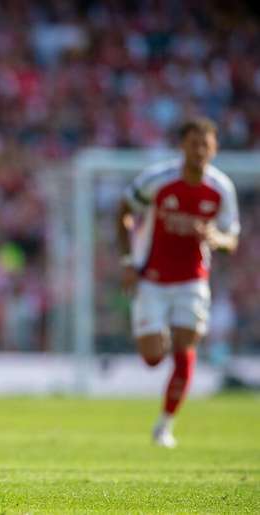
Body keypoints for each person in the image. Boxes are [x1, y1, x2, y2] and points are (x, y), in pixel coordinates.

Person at [116, 117, 240, 448]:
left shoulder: (221, 189)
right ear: (182, 146)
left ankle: (164, 426)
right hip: (152, 278)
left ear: (215, 149)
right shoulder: (158, 181)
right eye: (194, 143)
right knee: (153, 357)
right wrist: (128, 261)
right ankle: (161, 337)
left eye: (206, 145)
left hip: (192, 280)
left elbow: (232, 238)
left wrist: (216, 237)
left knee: (186, 351)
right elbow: (124, 210)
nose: (200, 150)